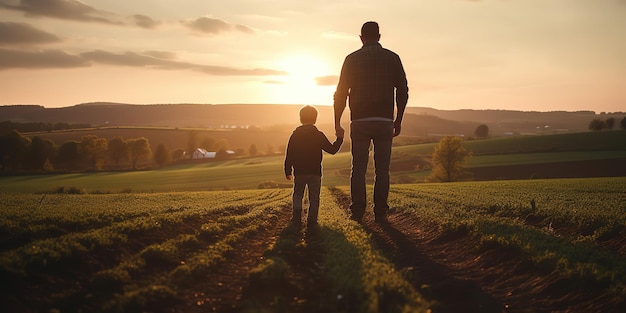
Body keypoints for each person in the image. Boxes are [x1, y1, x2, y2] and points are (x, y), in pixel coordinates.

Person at [333, 21, 408, 223]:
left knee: (358, 169)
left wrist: (337, 121)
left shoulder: (351, 59)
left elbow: (340, 93)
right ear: (380, 36)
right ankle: (381, 212)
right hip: (384, 120)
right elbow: (403, 91)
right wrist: (398, 119)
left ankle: (358, 210)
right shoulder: (393, 58)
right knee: (382, 170)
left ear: (361, 38)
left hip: (359, 121)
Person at [285, 105, 344, 228]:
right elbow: (332, 150)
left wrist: (287, 170)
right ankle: (312, 220)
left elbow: (289, 154)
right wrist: (340, 138)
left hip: (299, 172)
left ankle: (296, 218)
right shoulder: (318, 135)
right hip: (315, 173)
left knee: (297, 195)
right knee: (314, 197)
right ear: (315, 119)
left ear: (300, 118)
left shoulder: (294, 135)